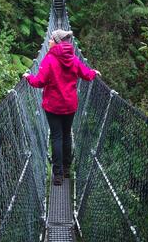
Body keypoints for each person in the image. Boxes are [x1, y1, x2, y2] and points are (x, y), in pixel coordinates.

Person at [23, 29, 100, 186]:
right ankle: (66, 169)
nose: (49, 42)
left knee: (56, 137)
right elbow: (85, 74)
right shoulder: (73, 58)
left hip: (53, 106)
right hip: (70, 105)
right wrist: (93, 73)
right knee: (66, 135)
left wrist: (29, 77)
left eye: (51, 39)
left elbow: (39, 82)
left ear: (57, 42)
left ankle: (57, 175)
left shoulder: (49, 59)